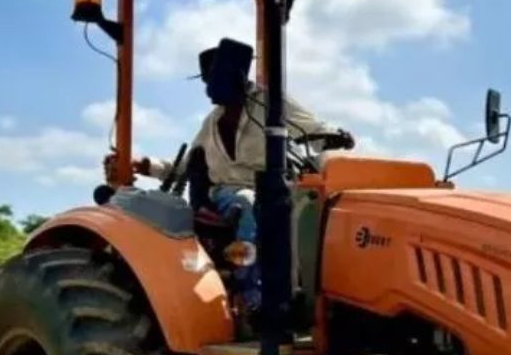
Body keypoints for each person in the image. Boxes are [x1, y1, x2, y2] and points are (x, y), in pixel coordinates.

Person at [129, 37, 353, 316]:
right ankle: (254, 296)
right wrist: (146, 165)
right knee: (246, 202)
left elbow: (314, 129)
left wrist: (336, 136)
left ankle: (305, 292)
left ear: (233, 76)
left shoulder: (271, 104)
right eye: (206, 82)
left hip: (275, 187)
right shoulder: (211, 122)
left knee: (307, 210)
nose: (208, 90)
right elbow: (187, 165)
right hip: (228, 192)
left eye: (213, 80)